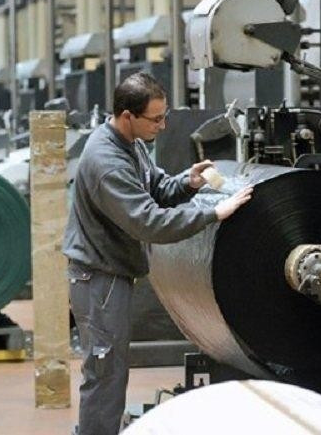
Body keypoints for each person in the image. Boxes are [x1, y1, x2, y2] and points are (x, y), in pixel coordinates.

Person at [62, 72, 253, 435]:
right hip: (98, 279)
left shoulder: (130, 142)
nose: (163, 126)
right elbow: (148, 221)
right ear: (127, 116)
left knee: (111, 370)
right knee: (105, 373)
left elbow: (155, 188)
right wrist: (213, 213)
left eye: (164, 117)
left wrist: (188, 182)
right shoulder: (107, 162)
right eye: (155, 119)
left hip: (110, 272)